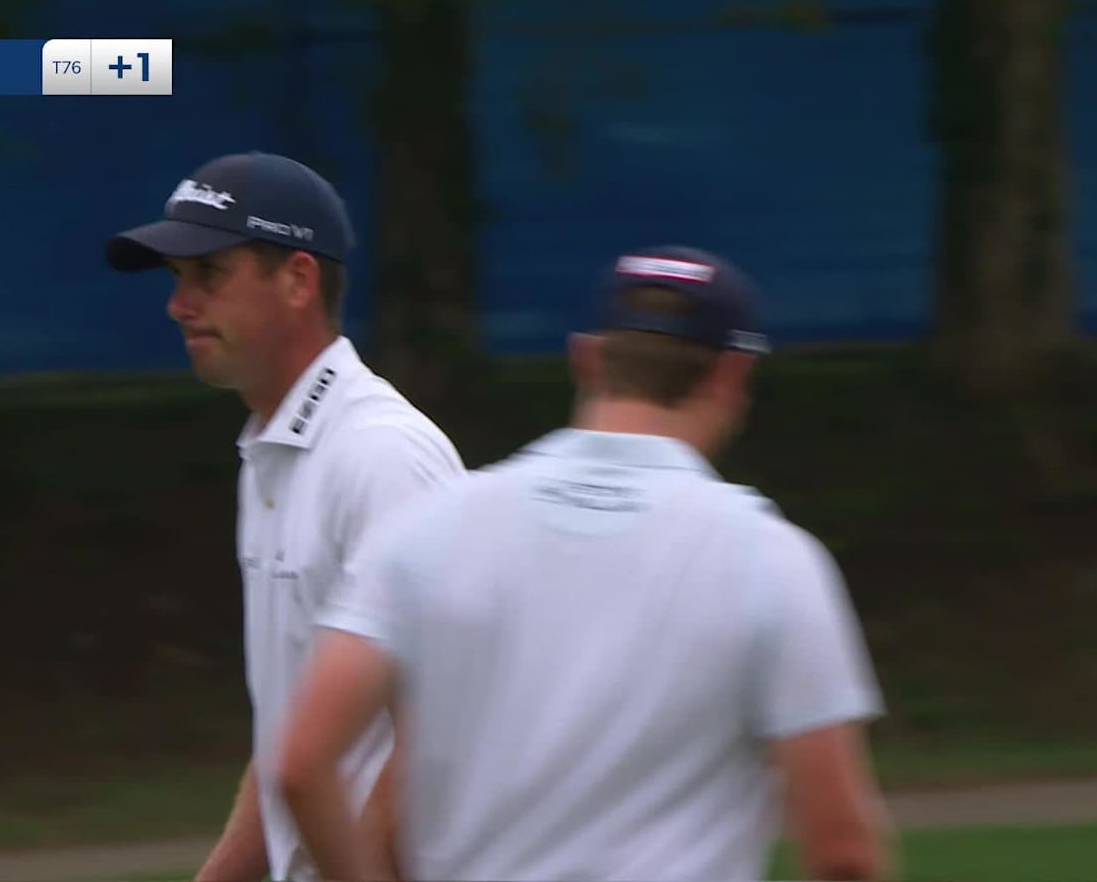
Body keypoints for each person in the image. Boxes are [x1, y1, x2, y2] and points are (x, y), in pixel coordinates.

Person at [276, 246, 892, 882]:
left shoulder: (427, 530)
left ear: (587, 359)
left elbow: (303, 764)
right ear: (732, 374)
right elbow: (841, 851)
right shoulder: (770, 560)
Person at [104, 151, 466, 881]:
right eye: (178, 280)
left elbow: (443, 727)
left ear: (298, 279)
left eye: (210, 275)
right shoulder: (274, 452)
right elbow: (289, 740)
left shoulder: (380, 456)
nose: (180, 305)